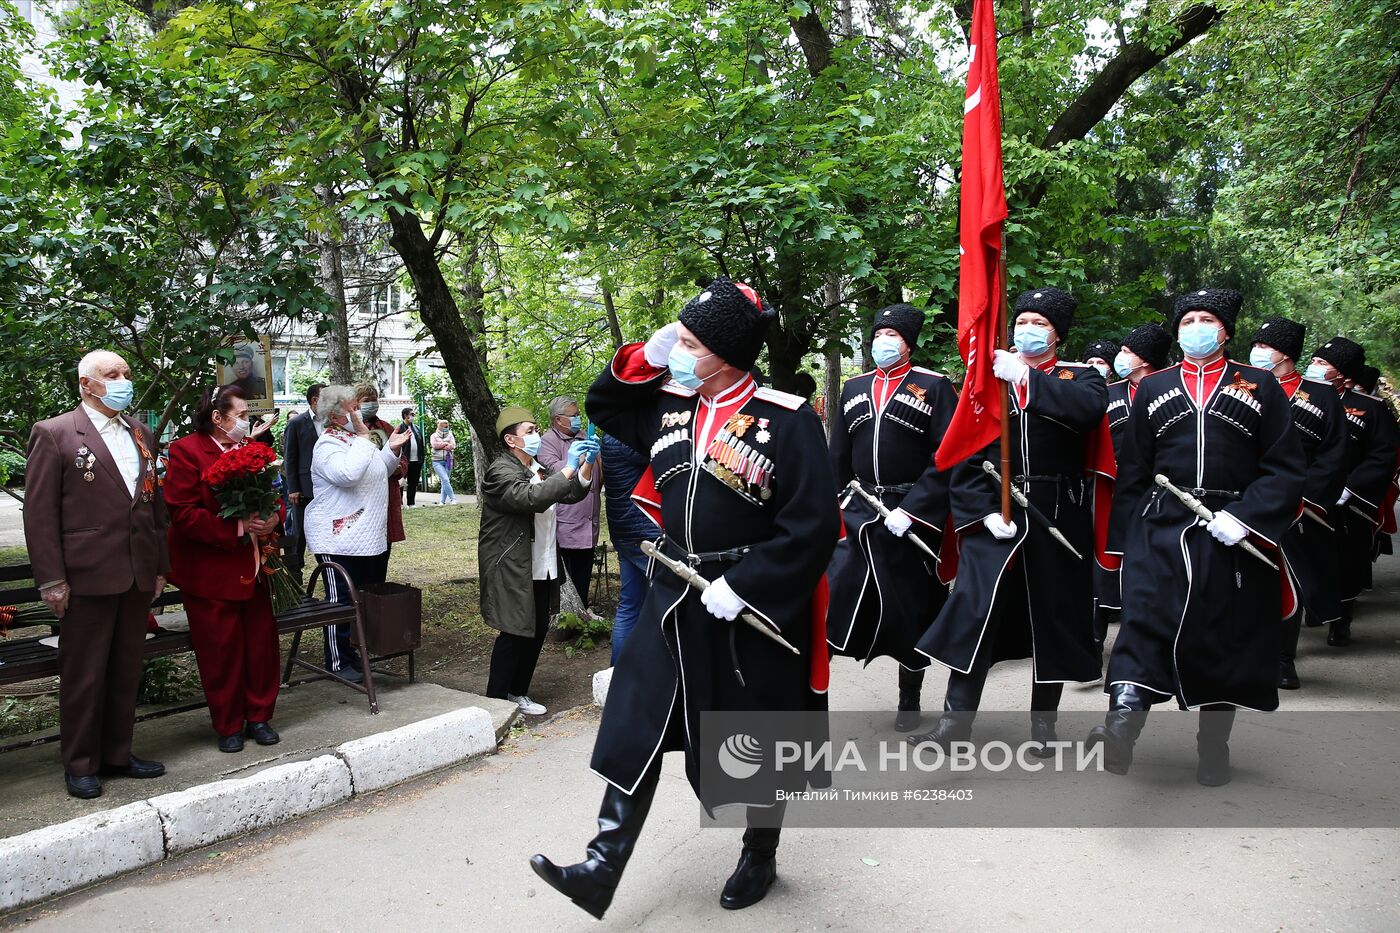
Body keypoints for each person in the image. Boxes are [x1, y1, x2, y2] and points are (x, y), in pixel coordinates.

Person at [531, 277, 840, 918]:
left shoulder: (786, 420)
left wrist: (748, 586)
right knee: (637, 714)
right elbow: (605, 403)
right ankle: (601, 863)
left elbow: (812, 528)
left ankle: (760, 851)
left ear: (726, 353)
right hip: (674, 592)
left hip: (744, 600)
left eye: (690, 341)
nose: (677, 348)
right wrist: (650, 351)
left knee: (750, 736)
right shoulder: (670, 404)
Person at [1092, 288, 1305, 787]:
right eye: (1187, 319)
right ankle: (1121, 725)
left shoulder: (1260, 386)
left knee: (1220, 637)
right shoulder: (1152, 386)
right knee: (1143, 620)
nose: (1195, 327)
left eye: (1206, 319)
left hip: (1228, 530)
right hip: (1162, 525)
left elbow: (1285, 468)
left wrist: (1248, 517)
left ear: (1226, 330)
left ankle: (1214, 746)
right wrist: (1122, 545)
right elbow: (1135, 472)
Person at [912, 287, 1107, 754]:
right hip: (995, 512)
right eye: (1021, 321)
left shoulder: (1082, 377)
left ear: (1058, 333)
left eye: (1039, 323)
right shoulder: (986, 380)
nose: (1027, 330)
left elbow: (1086, 412)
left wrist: (1027, 379)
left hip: (1055, 511)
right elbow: (964, 453)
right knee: (976, 613)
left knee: (1052, 619)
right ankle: (954, 722)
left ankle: (1044, 727)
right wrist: (979, 512)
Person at [23, 350, 170, 798]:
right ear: (87, 384)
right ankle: (81, 763)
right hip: (86, 576)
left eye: (127, 372)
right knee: (84, 674)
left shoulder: (140, 432)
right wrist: (52, 579)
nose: (124, 380)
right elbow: (39, 514)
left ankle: (117, 754)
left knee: (126, 669)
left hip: (136, 572)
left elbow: (153, 507)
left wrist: (160, 565)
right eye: (113, 374)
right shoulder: (56, 433)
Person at [827, 303, 956, 731]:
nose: (884, 341)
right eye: (879, 333)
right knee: (835, 588)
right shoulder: (853, 387)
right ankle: (814, 692)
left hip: (910, 512)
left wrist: (915, 509)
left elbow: (947, 457)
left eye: (893, 335)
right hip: (861, 507)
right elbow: (839, 453)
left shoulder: (935, 387)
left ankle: (909, 697)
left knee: (909, 606)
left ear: (909, 343)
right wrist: (836, 497)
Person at [163, 385, 284, 752]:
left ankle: (259, 716)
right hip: (209, 571)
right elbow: (182, 512)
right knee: (221, 651)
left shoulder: (252, 451)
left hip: (255, 566)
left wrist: (272, 517)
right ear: (218, 418)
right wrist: (237, 526)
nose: (247, 422)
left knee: (261, 645)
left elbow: (275, 497)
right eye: (243, 415)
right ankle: (229, 724)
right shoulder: (186, 451)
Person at [1249, 317, 1347, 690]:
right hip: (1251, 502)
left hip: (1297, 507)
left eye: (1265, 344)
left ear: (1285, 353)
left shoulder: (1320, 395)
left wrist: (1305, 497)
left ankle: (1282, 660)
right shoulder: (1246, 384)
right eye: (1256, 343)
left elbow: (1334, 453)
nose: (1257, 350)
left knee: (1289, 583)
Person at [480, 408, 597, 716]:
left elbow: (569, 493)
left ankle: (518, 692)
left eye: (536, 429)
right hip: (511, 564)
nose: (535, 435)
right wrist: (568, 468)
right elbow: (529, 498)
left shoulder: (537, 466)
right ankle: (495, 701)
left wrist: (585, 464)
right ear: (511, 439)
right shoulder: (500, 471)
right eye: (530, 431)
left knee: (537, 628)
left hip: (542, 560)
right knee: (515, 630)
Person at [304, 385, 411, 682]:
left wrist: (391, 449)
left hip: (367, 536)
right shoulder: (328, 443)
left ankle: (356, 653)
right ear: (337, 415)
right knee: (340, 603)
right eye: (353, 408)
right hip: (337, 538)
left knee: (362, 599)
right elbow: (348, 475)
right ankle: (337, 662)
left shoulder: (354, 438)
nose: (359, 413)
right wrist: (365, 438)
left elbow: (375, 469)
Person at [1307, 336, 1399, 646]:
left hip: (1348, 502)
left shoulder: (1370, 408)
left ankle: (1341, 618)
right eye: (1316, 361)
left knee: (1345, 561)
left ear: (1343, 373)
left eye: (1323, 364)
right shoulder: (1303, 399)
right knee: (1307, 558)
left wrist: (1352, 487)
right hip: (1309, 495)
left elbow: (1383, 454)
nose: (1315, 367)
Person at [1096, 323, 1172, 649]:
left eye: (1128, 352)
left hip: (1158, 495)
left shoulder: (1168, 390)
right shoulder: (1108, 394)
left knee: (1152, 570)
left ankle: (1154, 640)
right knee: (1102, 566)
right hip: (1111, 493)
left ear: (1146, 359)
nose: (1120, 357)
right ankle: (1094, 639)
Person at [538, 396, 603, 607]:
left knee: (584, 570)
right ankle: (565, 615)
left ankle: (582, 610)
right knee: (567, 572)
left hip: (589, 518)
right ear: (558, 419)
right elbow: (554, 471)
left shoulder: (585, 436)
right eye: (574, 416)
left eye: (578, 415)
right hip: (567, 520)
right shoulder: (548, 441)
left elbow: (601, 472)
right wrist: (582, 459)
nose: (578, 419)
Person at [600, 431, 651, 665]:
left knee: (629, 604)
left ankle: (616, 674)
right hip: (644, 531)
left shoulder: (612, 434)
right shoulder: (629, 438)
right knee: (668, 598)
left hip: (625, 530)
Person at [356, 384, 407, 551]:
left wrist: (400, 468)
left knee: (385, 540)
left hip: (387, 491)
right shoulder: (350, 429)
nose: (371, 403)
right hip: (364, 492)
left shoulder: (386, 427)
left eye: (374, 400)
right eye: (366, 401)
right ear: (356, 403)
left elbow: (403, 457)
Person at [282, 383, 325, 578]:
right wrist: (293, 488)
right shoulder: (297, 423)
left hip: (326, 488)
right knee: (299, 533)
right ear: (314, 400)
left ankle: (326, 569)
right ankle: (294, 573)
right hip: (303, 489)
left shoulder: (332, 421)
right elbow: (290, 458)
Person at [399, 407, 426, 507]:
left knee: (413, 482)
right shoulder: (399, 429)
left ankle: (411, 502)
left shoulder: (416, 428)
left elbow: (421, 444)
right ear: (406, 416)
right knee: (401, 482)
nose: (413, 417)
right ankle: (400, 503)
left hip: (416, 460)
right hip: (404, 461)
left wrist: (422, 458)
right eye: (412, 414)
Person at [430, 419, 457, 504]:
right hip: (437, 461)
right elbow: (434, 445)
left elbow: (453, 446)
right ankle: (453, 499)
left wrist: (441, 445)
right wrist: (446, 444)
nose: (446, 427)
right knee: (445, 479)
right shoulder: (433, 436)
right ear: (440, 426)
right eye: (444, 425)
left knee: (445, 481)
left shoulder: (450, 435)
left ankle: (442, 501)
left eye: (447, 425)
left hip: (448, 460)